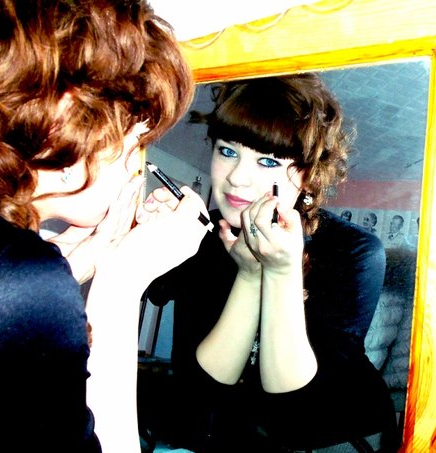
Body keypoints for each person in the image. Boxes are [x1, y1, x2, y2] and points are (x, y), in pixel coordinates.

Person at [0, 1, 210, 452]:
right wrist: (121, 280)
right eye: (135, 142)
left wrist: (69, 265)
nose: (135, 166)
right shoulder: (15, 276)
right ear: (68, 122)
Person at [146, 74, 399, 452]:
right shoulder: (199, 233)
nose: (237, 178)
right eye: (227, 151)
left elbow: (296, 413)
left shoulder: (353, 250)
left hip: (337, 438)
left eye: (266, 161)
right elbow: (202, 389)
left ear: (307, 176)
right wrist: (247, 275)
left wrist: (280, 272)